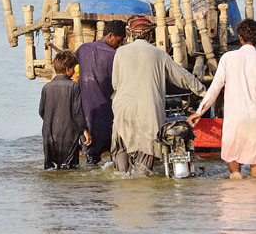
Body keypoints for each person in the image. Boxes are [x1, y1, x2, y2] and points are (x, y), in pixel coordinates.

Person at [110, 17, 206, 175]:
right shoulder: (159, 54)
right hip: (149, 111)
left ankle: (122, 183)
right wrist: (204, 92)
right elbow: (183, 77)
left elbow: (115, 83)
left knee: (121, 149)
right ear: (150, 36)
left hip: (123, 108)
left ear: (131, 34)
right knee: (145, 155)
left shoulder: (120, 52)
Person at [188, 19, 256, 178]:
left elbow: (215, 88)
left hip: (235, 117)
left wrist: (199, 111)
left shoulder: (228, 58)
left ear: (240, 37)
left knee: (232, 158)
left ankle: (235, 187)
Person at [75, 20, 126, 164]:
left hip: (85, 113)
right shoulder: (114, 56)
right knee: (114, 154)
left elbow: (73, 69)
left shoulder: (83, 49)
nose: (119, 44)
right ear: (110, 36)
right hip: (107, 112)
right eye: (119, 40)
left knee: (91, 157)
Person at [38, 51, 92, 169]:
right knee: (69, 168)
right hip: (69, 134)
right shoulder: (74, 87)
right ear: (67, 69)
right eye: (73, 68)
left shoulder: (46, 88)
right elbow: (78, 112)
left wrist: (51, 121)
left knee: (51, 167)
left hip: (49, 133)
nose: (73, 72)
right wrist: (84, 131)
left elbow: (41, 111)